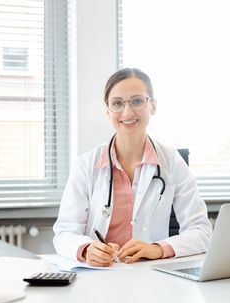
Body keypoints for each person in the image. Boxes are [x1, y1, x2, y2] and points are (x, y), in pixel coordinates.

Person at [53, 68, 212, 267]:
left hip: (150, 273)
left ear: (153, 106)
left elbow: (202, 231)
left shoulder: (172, 161)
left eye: (137, 101)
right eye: (117, 103)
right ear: (107, 110)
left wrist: (158, 248)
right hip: (99, 274)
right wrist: (85, 250)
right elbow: (64, 233)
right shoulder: (86, 165)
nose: (127, 112)